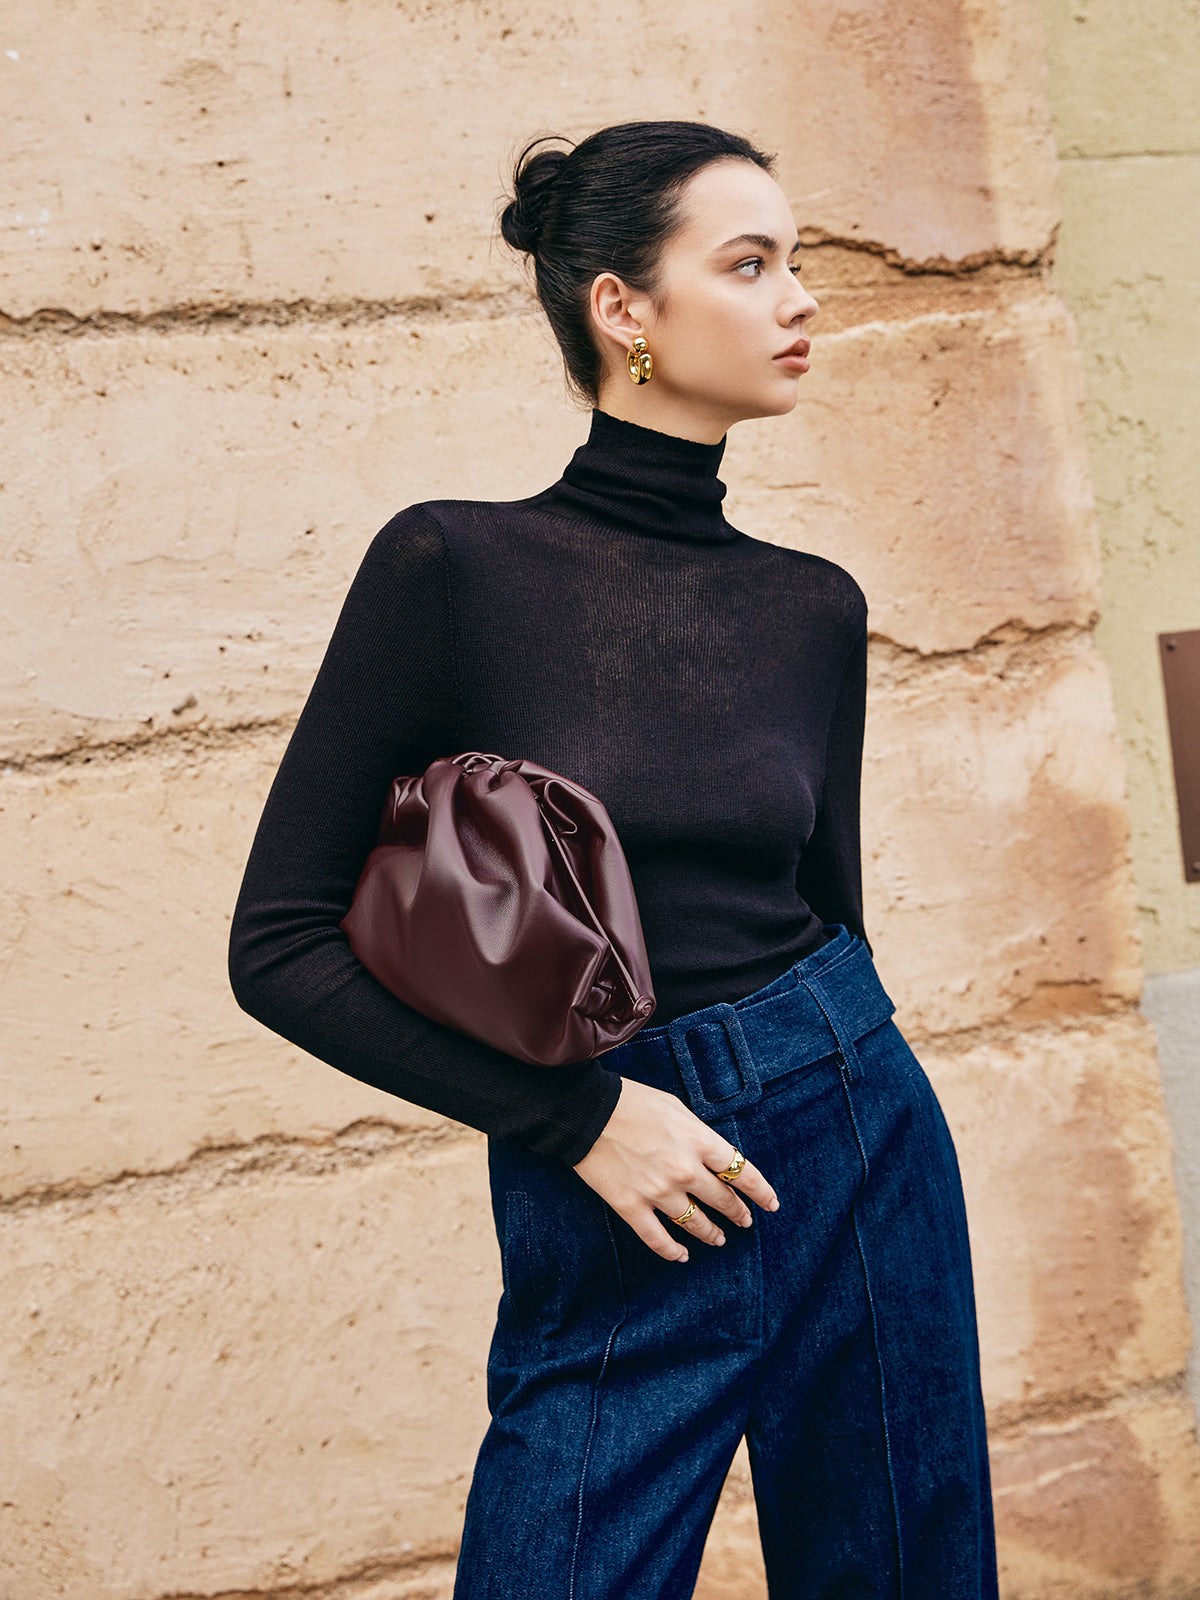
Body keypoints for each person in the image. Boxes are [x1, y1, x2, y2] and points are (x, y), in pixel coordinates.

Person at [228, 120, 998, 1599]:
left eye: (797, 262)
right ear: (622, 309)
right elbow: (280, 947)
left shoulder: (815, 606)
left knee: (907, 1566)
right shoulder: (452, 567)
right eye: (749, 264)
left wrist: (839, 1084)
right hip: (609, 1157)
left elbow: (824, 910)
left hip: (851, 1120)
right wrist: (580, 1120)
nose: (802, 299)